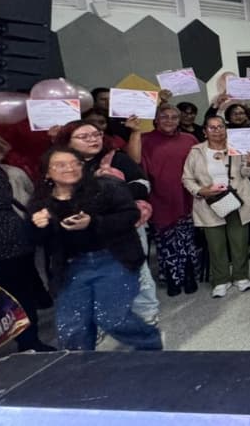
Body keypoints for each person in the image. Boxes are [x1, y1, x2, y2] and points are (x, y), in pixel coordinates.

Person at [29, 147, 163, 351]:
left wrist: (93, 222)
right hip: (71, 266)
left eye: (75, 163)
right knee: (72, 328)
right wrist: (38, 225)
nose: (69, 168)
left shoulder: (106, 188)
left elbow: (130, 216)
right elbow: (35, 240)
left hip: (113, 258)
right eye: (60, 165)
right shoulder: (41, 202)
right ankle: (83, 371)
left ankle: (150, 342)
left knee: (112, 318)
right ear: (47, 172)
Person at [53, 120, 158, 325]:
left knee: (136, 270)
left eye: (97, 134)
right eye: (84, 137)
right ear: (67, 142)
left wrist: (109, 196)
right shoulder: (62, 165)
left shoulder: (116, 159)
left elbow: (142, 185)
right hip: (85, 230)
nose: (93, 139)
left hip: (123, 225)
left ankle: (147, 315)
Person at [0, 129, 54, 352]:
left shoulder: (13, 174)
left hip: (17, 252)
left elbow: (32, 201)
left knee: (22, 300)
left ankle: (29, 343)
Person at [182, 116, 250, 298]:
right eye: (212, 128)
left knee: (239, 241)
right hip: (210, 202)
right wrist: (201, 190)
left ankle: (241, 276)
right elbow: (187, 178)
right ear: (205, 131)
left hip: (236, 199)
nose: (217, 130)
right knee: (215, 243)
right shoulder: (196, 151)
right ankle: (221, 280)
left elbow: (246, 173)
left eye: (220, 127)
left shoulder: (237, 145)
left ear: (226, 129)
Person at [140, 105, 202, 296]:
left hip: (187, 196)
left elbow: (199, 168)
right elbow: (138, 167)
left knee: (186, 240)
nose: (169, 120)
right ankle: (172, 279)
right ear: (156, 119)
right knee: (166, 242)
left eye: (174, 117)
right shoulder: (144, 140)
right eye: (164, 116)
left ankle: (189, 276)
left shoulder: (189, 139)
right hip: (159, 198)